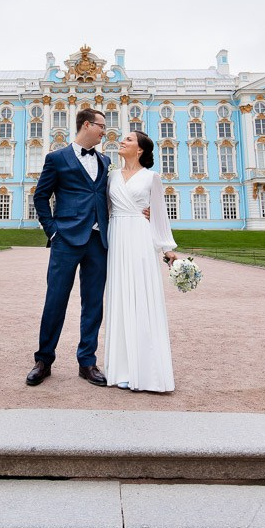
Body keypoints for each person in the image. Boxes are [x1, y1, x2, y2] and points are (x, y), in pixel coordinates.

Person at [28, 108, 111, 387]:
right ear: (86, 125)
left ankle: (87, 362)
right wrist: (53, 231)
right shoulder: (56, 158)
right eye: (101, 126)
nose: (105, 131)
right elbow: (41, 196)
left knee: (93, 303)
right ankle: (43, 360)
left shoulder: (105, 160)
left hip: (98, 241)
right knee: (55, 300)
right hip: (66, 239)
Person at [103, 130, 180, 392]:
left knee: (141, 297)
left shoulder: (151, 177)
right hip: (117, 237)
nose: (121, 141)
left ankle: (146, 372)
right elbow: (105, 209)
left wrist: (167, 248)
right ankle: (121, 369)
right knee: (120, 298)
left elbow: (159, 214)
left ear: (140, 150)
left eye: (128, 139)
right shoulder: (111, 176)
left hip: (140, 237)